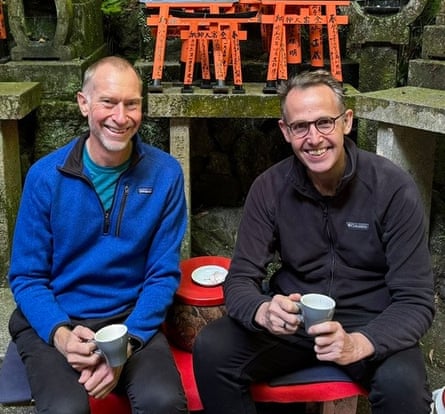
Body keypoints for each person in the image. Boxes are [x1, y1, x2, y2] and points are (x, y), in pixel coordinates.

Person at [193, 69, 435, 414]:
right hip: (295, 322)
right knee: (213, 348)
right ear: (284, 131)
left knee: (405, 390)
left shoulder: (391, 187)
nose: (314, 138)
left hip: (370, 322)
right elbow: (241, 278)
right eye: (300, 127)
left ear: (346, 121)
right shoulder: (269, 187)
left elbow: (416, 300)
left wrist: (359, 343)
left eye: (324, 122)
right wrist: (263, 310)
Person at [8, 56, 188, 414]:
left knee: (163, 402)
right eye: (108, 102)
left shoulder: (165, 174)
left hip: (128, 315)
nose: (121, 117)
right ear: (83, 103)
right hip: (59, 314)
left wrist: (125, 346)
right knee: (65, 409)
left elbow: (163, 273)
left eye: (132, 104)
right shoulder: (46, 177)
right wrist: (60, 335)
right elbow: (27, 277)